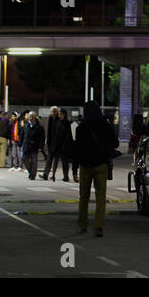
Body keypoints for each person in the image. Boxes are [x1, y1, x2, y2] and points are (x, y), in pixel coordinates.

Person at [75, 101, 119, 237]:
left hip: (85, 166)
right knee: (100, 197)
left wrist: (76, 166)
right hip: (101, 165)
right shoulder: (104, 126)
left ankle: (83, 225)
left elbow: (78, 149)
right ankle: (99, 226)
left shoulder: (80, 128)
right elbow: (115, 143)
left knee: (84, 197)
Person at [19, 111, 45, 180]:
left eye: (32, 117)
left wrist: (40, 147)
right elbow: (22, 135)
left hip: (34, 146)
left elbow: (42, 138)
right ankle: (31, 172)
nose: (30, 118)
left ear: (34, 117)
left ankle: (33, 175)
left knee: (34, 161)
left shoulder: (39, 126)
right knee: (24, 159)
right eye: (30, 117)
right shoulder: (26, 125)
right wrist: (20, 144)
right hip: (26, 145)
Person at [52, 108, 71, 182]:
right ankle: (53, 175)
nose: (60, 115)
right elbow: (54, 134)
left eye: (61, 114)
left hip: (64, 146)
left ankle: (66, 176)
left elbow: (68, 135)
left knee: (65, 162)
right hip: (57, 145)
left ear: (64, 114)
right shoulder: (57, 122)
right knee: (55, 160)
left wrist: (66, 144)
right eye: (59, 114)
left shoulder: (67, 123)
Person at [40, 106, 59, 180]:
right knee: (49, 160)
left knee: (56, 160)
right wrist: (47, 141)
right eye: (52, 111)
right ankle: (45, 174)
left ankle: (53, 174)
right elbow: (48, 131)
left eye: (55, 111)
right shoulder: (50, 118)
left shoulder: (58, 119)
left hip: (57, 143)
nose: (53, 113)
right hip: (51, 143)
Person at [70, 115, 83, 182]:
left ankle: (75, 175)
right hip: (79, 148)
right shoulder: (82, 127)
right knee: (78, 163)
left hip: (74, 147)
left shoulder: (73, 125)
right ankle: (76, 176)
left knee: (75, 164)